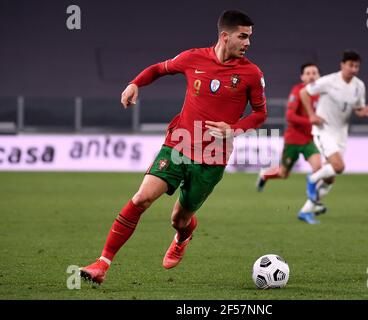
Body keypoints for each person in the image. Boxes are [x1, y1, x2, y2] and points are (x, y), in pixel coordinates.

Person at [79, 10, 267, 284]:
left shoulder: (251, 73)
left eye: (250, 36)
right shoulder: (193, 58)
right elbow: (158, 69)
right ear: (225, 36)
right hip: (178, 144)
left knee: (179, 219)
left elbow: (261, 114)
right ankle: (102, 263)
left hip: (213, 157)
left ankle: (183, 235)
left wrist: (234, 130)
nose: (248, 42)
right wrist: (134, 83)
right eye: (243, 36)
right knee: (141, 198)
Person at [300, 50, 368, 205]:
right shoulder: (329, 81)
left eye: (356, 66)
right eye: (350, 65)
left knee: (330, 177)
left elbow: (358, 108)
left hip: (341, 134)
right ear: (342, 65)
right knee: (339, 166)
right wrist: (312, 115)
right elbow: (304, 92)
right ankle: (312, 178)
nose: (353, 69)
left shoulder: (359, 86)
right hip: (324, 130)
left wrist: (364, 112)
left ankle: (308, 209)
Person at [256, 63, 326, 224]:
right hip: (293, 140)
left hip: (309, 140)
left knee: (318, 170)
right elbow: (290, 116)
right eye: (307, 73)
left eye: (314, 73)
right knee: (283, 174)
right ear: (302, 77)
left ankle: (311, 206)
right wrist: (311, 120)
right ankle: (265, 174)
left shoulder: (321, 94)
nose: (311, 76)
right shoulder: (297, 91)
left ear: (319, 76)